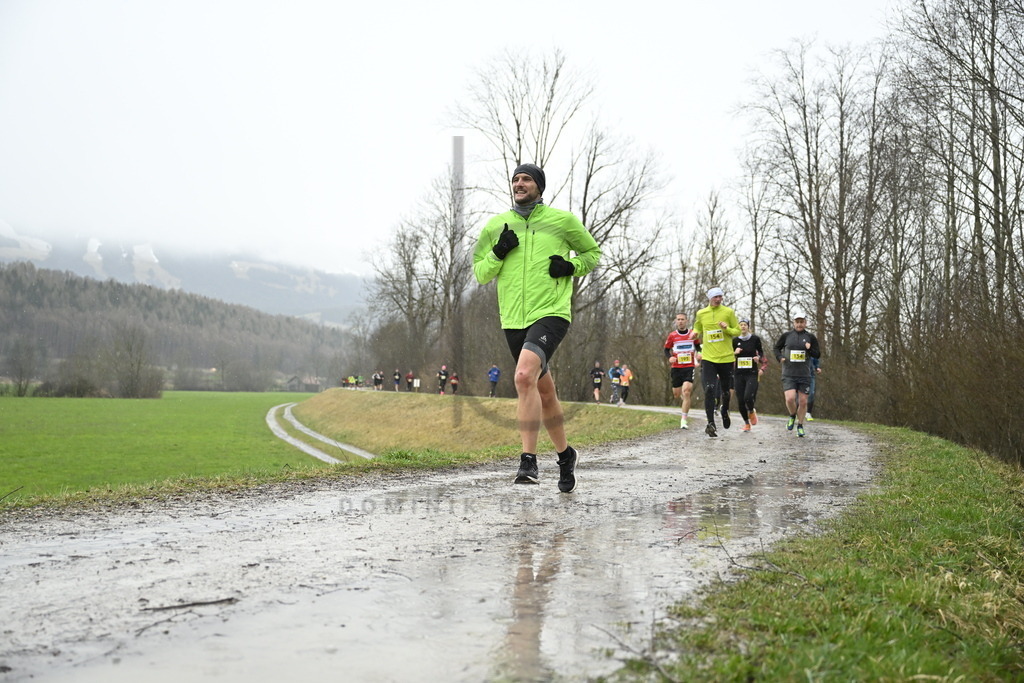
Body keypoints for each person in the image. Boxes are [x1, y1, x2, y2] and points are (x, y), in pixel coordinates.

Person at [472, 162, 601, 492]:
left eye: (526, 179)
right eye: (515, 179)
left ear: (539, 186)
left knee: (523, 375)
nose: (519, 183)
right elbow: (481, 273)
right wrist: (499, 251)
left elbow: (592, 253)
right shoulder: (496, 226)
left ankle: (528, 460)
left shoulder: (562, 221)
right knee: (543, 391)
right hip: (513, 318)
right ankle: (565, 455)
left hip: (551, 312)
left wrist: (570, 266)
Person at [693, 287, 741, 438]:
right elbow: (698, 327)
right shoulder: (701, 313)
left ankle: (725, 410)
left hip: (726, 358)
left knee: (726, 392)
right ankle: (710, 423)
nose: (718, 299)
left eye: (720, 297)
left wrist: (727, 329)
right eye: (715, 297)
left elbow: (737, 331)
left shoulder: (728, 312)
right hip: (708, 358)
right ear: (710, 298)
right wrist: (695, 332)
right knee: (709, 389)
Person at [773, 311, 821, 437]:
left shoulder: (810, 337)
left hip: (804, 374)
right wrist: (780, 357)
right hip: (789, 373)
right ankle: (792, 415)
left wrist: (810, 348)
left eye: (802, 322)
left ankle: (800, 425)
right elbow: (776, 348)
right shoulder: (787, 336)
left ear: (805, 323)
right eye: (797, 322)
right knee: (789, 399)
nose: (799, 324)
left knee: (803, 401)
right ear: (794, 323)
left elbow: (817, 354)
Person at [664, 312, 701, 429]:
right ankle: (683, 398)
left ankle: (683, 420)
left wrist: (699, 354)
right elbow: (666, 350)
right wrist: (670, 357)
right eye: (678, 319)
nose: (680, 321)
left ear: (687, 321)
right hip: (676, 368)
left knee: (687, 391)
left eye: (682, 319)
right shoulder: (672, 336)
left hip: (689, 367)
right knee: (676, 394)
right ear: (676, 321)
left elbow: (698, 347)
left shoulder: (693, 334)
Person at [732, 318, 769, 432]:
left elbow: (761, 352)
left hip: (751, 373)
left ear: (748, 327)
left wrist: (758, 359)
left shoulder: (755, 339)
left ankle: (752, 410)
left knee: (748, 396)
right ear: (738, 327)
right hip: (738, 374)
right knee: (740, 400)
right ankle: (746, 423)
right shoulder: (734, 340)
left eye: (745, 325)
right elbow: (728, 356)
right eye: (741, 325)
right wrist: (734, 352)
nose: (743, 326)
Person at [807, 356, 821, 420]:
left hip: (810, 375)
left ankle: (808, 413)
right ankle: (796, 412)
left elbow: (815, 359)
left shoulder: (812, 349)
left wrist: (817, 367)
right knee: (798, 394)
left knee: (811, 393)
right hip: (799, 375)